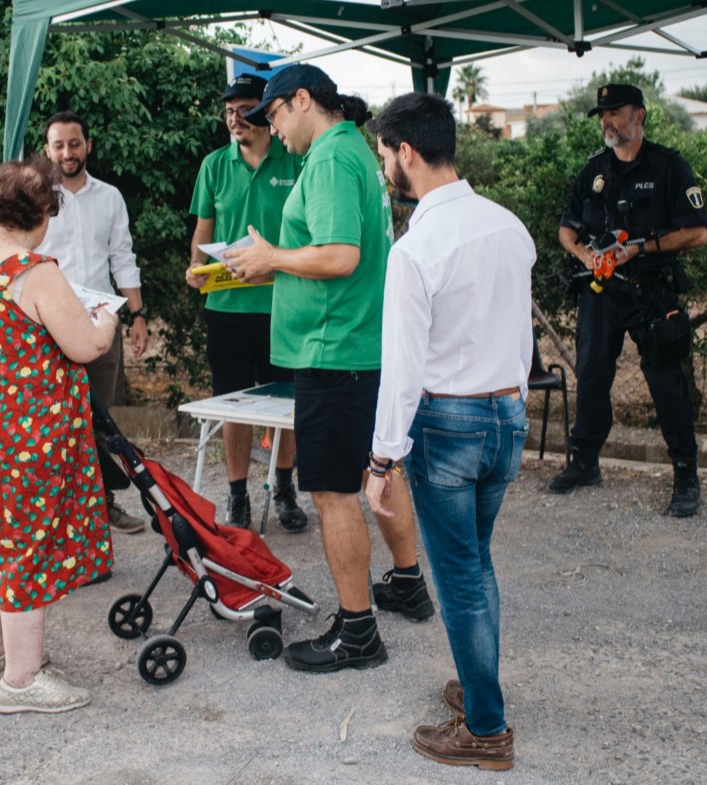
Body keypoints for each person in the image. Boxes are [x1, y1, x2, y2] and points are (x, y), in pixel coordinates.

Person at [227, 64, 434, 673]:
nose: (270, 128)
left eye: (272, 115)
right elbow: (338, 250)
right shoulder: (351, 154)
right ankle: (406, 583)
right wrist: (274, 265)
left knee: (333, 492)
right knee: (379, 466)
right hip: (358, 345)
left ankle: (358, 633)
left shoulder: (328, 160)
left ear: (301, 101)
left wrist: (271, 255)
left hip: (333, 348)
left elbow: (341, 256)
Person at [364, 92, 533, 771]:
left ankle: (485, 728)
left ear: (406, 153)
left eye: (384, 157)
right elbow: (516, 335)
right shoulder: (507, 226)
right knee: (475, 563)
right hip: (505, 414)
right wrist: (512, 399)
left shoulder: (415, 248)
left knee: (460, 576)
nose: (385, 170)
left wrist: (381, 459)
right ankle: (477, 683)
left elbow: (402, 368)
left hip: (449, 421)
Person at [0, 158, 118, 713]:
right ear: (42, 211)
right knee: (26, 547)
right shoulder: (33, 270)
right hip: (24, 438)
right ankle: (21, 681)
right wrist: (106, 319)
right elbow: (85, 346)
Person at [549, 84, 707, 517]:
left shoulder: (669, 166)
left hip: (652, 291)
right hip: (601, 292)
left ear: (638, 116)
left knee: (665, 381)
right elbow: (567, 230)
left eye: (615, 113)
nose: (607, 121)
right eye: (602, 114)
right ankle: (585, 463)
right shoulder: (594, 170)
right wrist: (585, 253)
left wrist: (642, 248)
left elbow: (697, 232)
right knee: (592, 373)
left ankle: (685, 474)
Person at [186, 73, 308, 532]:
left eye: (244, 109)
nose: (235, 118)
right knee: (231, 405)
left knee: (287, 407)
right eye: (228, 111)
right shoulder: (213, 165)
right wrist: (195, 268)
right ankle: (237, 496)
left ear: (264, 111)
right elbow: (204, 227)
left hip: (284, 305)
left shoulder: (295, 160)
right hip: (227, 308)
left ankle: (285, 489)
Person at [36, 109, 148, 537]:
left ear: (88, 146)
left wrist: (136, 315)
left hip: (102, 326)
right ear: (48, 150)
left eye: (74, 143)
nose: (67, 152)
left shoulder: (110, 197)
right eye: (58, 145)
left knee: (100, 421)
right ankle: (62, 520)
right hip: (48, 330)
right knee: (57, 425)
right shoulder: (36, 198)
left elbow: (123, 257)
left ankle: (102, 507)